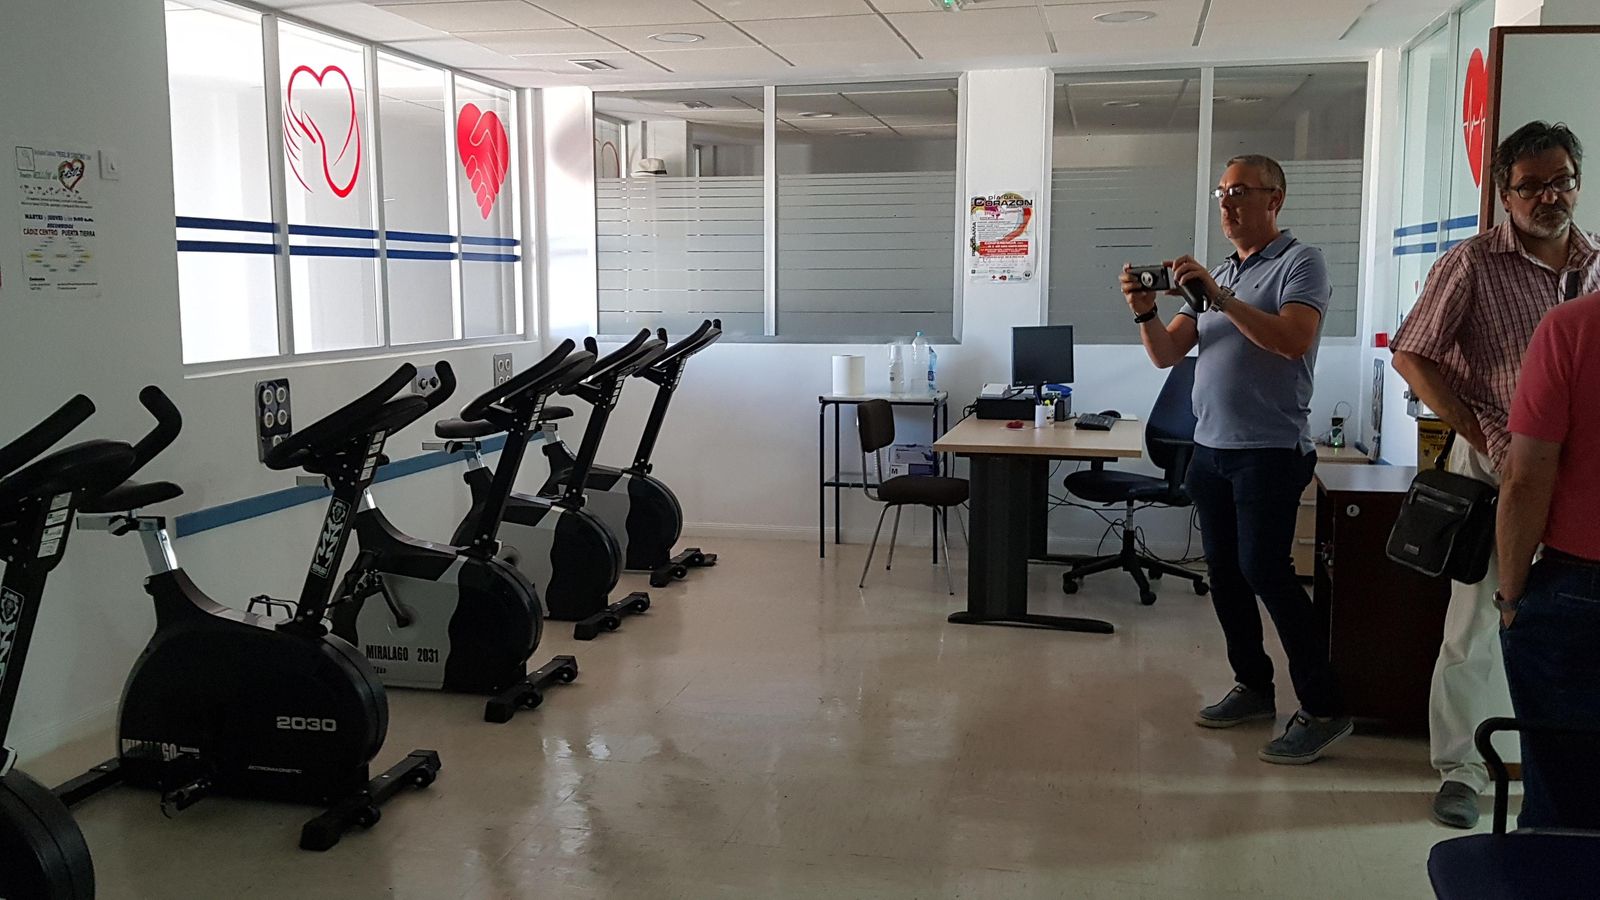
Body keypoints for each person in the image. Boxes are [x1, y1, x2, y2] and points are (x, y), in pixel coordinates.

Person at [1390, 121, 1600, 828]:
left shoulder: (1598, 260)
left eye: (1562, 180)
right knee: (1478, 621)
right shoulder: (1473, 262)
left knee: (1565, 620)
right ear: (1503, 192)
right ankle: (1460, 767)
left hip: (1578, 472)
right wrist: (1478, 429)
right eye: (1533, 185)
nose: (1550, 196)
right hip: (1492, 461)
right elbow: (1413, 353)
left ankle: (1548, 763)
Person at [1121, 154, 1350, 764]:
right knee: (1224, 575)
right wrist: (1145, 309)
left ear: (1275, 199)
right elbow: (1168, 354)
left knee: (1267, 573)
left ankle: (1324, 706)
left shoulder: (1301, 262)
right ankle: (1253, 686)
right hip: (1211, 448)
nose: (1226, 204)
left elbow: (1291, 339)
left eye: (1240, 192)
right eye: (1222, 192)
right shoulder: (1219, 272)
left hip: (1269, 451)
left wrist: (1219, 297)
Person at [1496, 289, 1600, 829]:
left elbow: (1525, 478)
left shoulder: (1573, 328)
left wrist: (1510, 598)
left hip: (1580, 588)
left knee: (1565, 803)